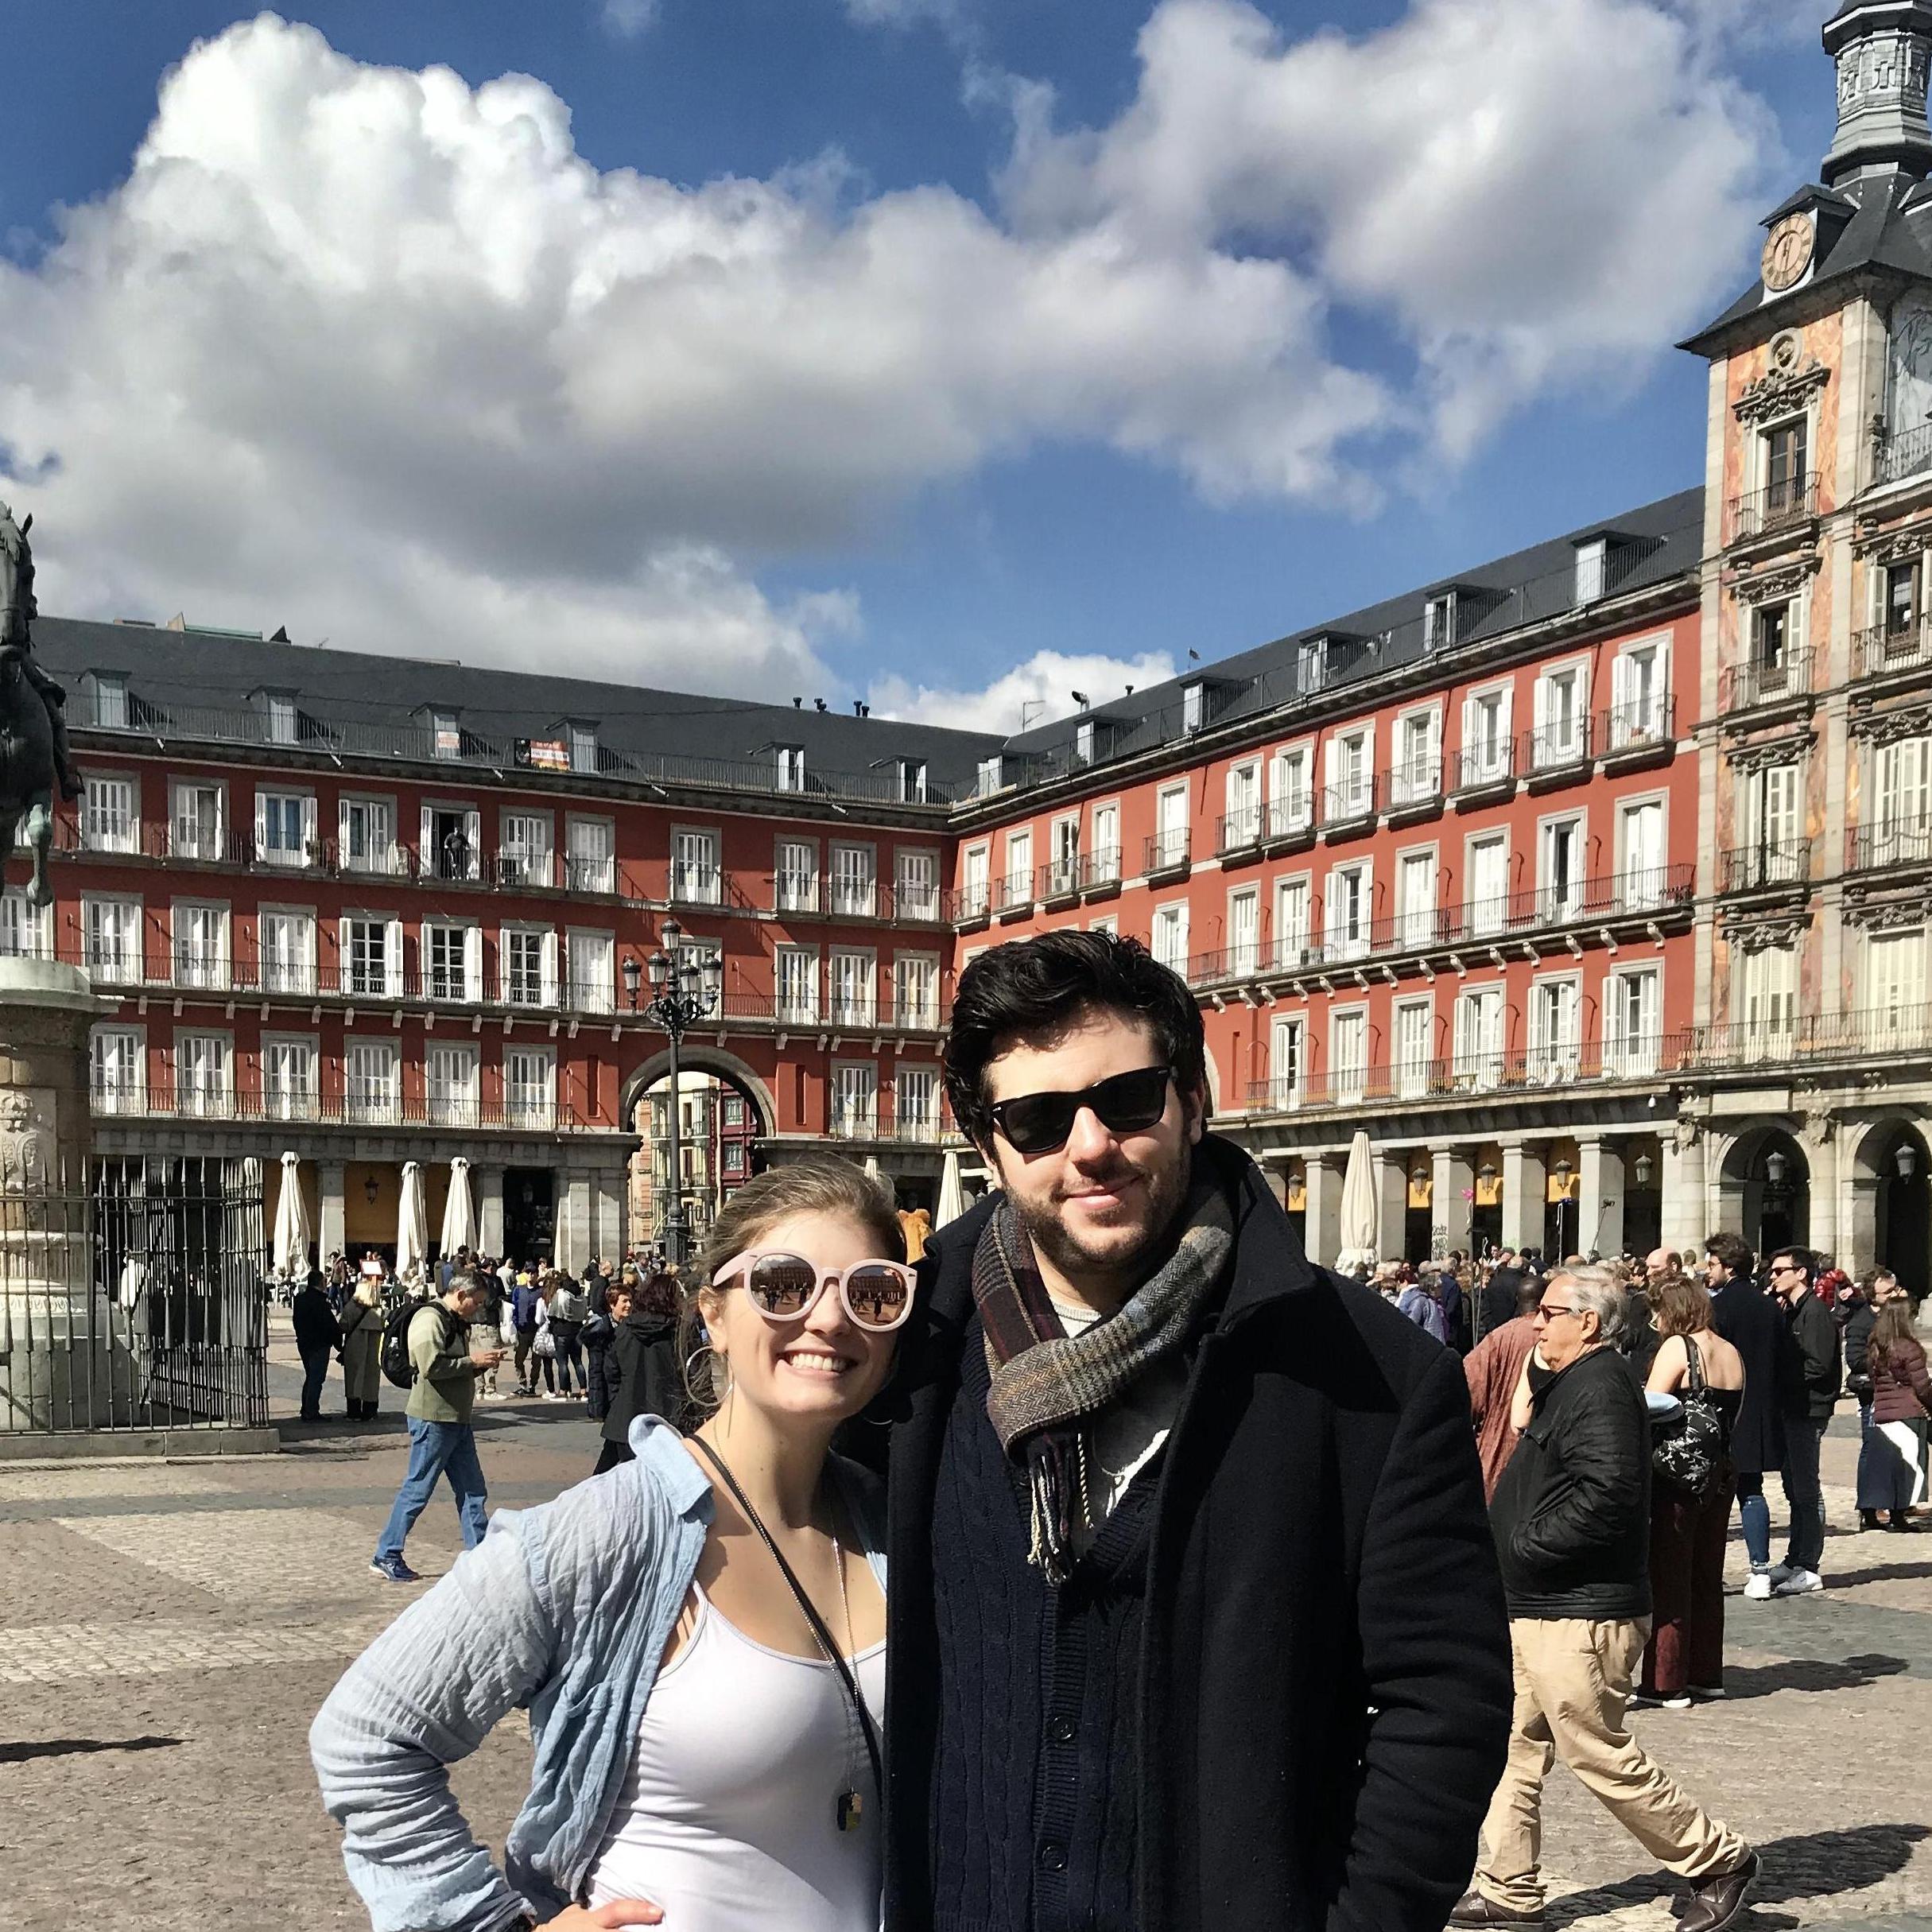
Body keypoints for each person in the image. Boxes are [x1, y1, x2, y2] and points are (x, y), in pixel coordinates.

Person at [887, 930, 1511, 1932]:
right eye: (1040, 1120)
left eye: (1125, 1099)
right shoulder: (914, 1349)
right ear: (987, 1146)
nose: (1090, 1145)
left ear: (1191, 1101)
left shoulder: (1372, 1378)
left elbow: (1446, 1704)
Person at [313, 1161, 913, 1930]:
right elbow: (367, 1737)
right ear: (716, 1316)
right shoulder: (607, 1532)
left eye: (870, 1292)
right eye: (784, 1285)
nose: (831, 1319)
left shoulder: (894, 1524)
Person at [1456, 1265, 1756, 1932]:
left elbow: (1608, 1497)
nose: (1537, 1320)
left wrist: (1523, 1546)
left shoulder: (1601, 1386)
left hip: (1582, 1612)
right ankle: (1508, 1886)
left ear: (1588, 1322)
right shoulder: (1572, 1379)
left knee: (1598, 1751)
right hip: (1539, 1605)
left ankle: (1718, 1859)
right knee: (1515, 1747)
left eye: (1551, 1312)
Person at [1636, 1275, 1745, 1708]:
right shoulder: (1732, 1352)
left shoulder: (1679, 1347)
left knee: (1669, 1571)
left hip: (1678, 1475)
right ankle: (1706, 1673)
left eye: (1658, 1311)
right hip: (1721, 1472)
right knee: (1706, 1573)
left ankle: (1666, 1680)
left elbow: (1649, 1404)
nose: (1654, 1321)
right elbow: (1731, 1418)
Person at [368, 1271, 505, 1584]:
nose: (478, 1308)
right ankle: (387, 1553)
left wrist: (477, 1364)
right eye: (477, 1302)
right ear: (461, 1295)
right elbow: (430, 1366)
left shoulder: (454, 1320)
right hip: (433, 1418)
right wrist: (474, 1362)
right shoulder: (430, 1319)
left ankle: (479, 1552)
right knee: (418, 1488)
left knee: (473, 1490)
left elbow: (451, 1367)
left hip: (457, 1418)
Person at [1703, 1234, 1786, 1600]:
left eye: (1712, 1264)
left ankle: (1708, 1571)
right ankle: (1760, 1571)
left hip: (1728, 1410)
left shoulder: (1721, 1308)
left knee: (1715, 1498)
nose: (1708, 1271)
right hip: (1762, 1409)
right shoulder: (1770, 1307)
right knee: (1753, 1492)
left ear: (1729, 1266)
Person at [1763, 1245, 1841, 1596]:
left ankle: (1808, 1564)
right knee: (1793, 1486)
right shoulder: (1792, 1310)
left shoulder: (1815, 1312)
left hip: (1808, 1410)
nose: (1773, 1276)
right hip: (1792, 1408)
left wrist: (1780, 1377)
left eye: (1780, 1271)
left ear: (1801, 1273)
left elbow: (1819, 1364)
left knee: (1807, 1490)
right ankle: (1796, 1558)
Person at [590, 1271, 686, 1474]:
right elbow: (691, 1375)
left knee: (610, 1476)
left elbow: (611, 1370)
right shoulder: (679, 1331)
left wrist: (618, 1398)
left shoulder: (626, 1328)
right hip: (667, 1417)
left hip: (625, 1415)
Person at [1465, 1274, 1546, 1499]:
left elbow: (1466, 1391)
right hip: (1534, 1455)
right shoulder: (1552, 1339)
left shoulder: (1497, 1338)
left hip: (1493, 1453)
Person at [1866, 1298, 1932, 1529]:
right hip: (1909, 1410)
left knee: (1891, 1465)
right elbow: (1922, 1386)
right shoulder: (1909, 1347)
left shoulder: (1876, 1346)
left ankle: (1888, 1512)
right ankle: (1900, 1513)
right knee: (1910, 1465)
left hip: (1884, 1410)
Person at [1852, 1270, 1903, 1529]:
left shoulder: (1894, 1317)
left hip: (1896, 1393)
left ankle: (1898, 1508)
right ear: (1873, 1295)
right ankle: (1870, 1509)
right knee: (1873, 1451)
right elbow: (1855, 1358)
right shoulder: (1862, 1322)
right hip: (1874, 1394)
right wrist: (1886, 1364)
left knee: (1898, 1451)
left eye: (1895, 1290)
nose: (1894, 1295)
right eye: (1888, 1292)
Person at [292, 1269, 342, 1422]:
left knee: (311, 1376)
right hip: (319, 1344)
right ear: (321, 1282)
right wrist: (338, 1343)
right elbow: (329, 1325)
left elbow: (296, 1322)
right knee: (316, 1378)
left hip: (304, 1343)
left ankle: (306, 1408)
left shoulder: (301, 1300)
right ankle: (311, 1411)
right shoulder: (319, 1301)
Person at [338, 1274, 384, 1422]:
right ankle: (370, 1410)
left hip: (354, 1345)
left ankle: (354, 1411)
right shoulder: (379, 1310)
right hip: (375, 1348)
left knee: (354, 1377)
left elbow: (343, 1327)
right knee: (371, 1377)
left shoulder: (351, 1307)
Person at [549, 1268, 589, 1399]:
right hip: (577, 1329)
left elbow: (553, 1312)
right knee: (578, 1361)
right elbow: (585, 1313)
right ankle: (583, 1390)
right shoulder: (581, 1294)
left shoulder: (561, 1294)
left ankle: (563, 1391)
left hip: (562, 1330)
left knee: (563, 1362)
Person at [510, 1267, 541, 1396]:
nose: (530, 1276)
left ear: (537, 1275)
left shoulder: (541, 1291)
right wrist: (516, 1323)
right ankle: (522, 1384)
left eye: (533, 1273)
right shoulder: (518, 1290)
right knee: (519, 1360)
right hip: (521, 1331)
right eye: (528, 1273)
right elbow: (513, 1307)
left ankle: (533, 1385)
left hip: (536, 1331)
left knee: (536, 1361)